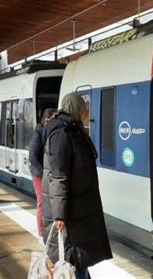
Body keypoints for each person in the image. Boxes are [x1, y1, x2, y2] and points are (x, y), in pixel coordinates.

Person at [42, 93, 112, 279]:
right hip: (70, 212)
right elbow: (58, 176)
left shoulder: (72, 129)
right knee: (73, 258)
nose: (86, 111)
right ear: (76, 108)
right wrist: (59, 214)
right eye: (84, 106)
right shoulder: (61, 134)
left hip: (77, 207)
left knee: (78, 259)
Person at [29, 108, 57, 242]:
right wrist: (44, 172)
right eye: (51, 119)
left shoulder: (48, 133)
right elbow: (33, 157)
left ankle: (47, 231)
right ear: (45, 120)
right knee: (42, 202)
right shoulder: (38, 134)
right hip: (39, 174)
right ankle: (41, 233)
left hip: (45, 173)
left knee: (48, 203)